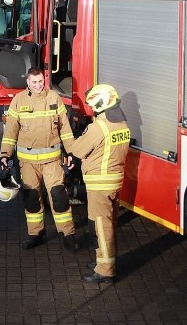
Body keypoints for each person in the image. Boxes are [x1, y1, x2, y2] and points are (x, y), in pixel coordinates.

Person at [0, 67, 79, 251]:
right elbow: (10, 132)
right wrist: (5, 155)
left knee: (59, 197)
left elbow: (65, 129)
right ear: (27, 82)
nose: (38, 85)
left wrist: (71, 152)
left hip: (52, 160)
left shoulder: (54, 98)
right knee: (32, 199)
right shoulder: (18, 101)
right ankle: (35, 234)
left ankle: (68, 234)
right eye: (34, 82)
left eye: (41, 81)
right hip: (27, 163)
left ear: (45, 80)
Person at [66, 84, 131, 283]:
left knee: (101, 226)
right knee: (108, 224)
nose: (91, 109)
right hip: (114, 181)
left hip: (99, 184)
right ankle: (102, 261)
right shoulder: (123, 124)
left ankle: (105, 269)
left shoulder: (98, 127)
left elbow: (77, 150)